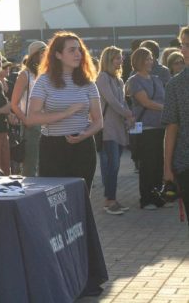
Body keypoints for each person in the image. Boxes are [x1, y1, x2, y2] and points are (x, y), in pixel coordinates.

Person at [24, 32, 102, 189]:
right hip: (53, 147)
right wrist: (66, 113)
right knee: (54, 199)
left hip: (83, 147)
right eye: (72, 50)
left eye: (79, 50)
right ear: (58, 55)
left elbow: (99, 121)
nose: (78, 54)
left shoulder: (88, 84)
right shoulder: (44, 81)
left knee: (80, 198)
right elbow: (31, 118)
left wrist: (84, 135)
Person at [126, 47, 169, 209]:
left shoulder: (156, 79)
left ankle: (158, 196)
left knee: (159, 163)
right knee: (147, 164)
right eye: (147, 59)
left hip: (160, 127)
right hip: (145, 129)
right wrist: (166, 109)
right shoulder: (135, 80)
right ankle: (146, 198)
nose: (151, 61)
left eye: (151, 58)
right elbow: (145, 102)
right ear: (139, 61)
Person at [95, 46, 133, 214]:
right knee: (113, 164)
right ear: (109, 60)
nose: (120, 61)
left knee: (115, 166)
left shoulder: (119, 80)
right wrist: (127, 113)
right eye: (117, 58)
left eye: (121, 58)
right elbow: (112, 101)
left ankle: (113, 198)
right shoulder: (102, 78)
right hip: (108, 129)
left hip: (118, 128)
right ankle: (108, 201)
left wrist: (129, 116)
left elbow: (122, 102)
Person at [9, 41, 46, 176]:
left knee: (45, 164)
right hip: (32, 125)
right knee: (30, 166)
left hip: (47, 124)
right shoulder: (25, 75)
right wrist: (26, 120)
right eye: (43, 52)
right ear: (35, 55)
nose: (46, 55)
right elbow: (14, 103)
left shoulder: (45, 74)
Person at [163, 27, 189, 219]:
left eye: (188, 45)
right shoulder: (175, 84)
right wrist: (167, 168)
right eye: (183, 45)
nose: (183, 50)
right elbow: (171, 128)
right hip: (185, 162)